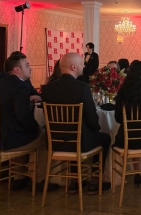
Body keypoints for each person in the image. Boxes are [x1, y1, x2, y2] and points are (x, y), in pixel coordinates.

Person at [0, 53, 59, 191]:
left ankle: (19, 178)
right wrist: (36, 129)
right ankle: (39, 181)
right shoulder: (20, 86)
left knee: (22, 133)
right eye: (27, 65)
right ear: (16, 70)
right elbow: (23, 116)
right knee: (47, 137)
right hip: (5, 142)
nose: (30, 68)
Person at [41, 53, 111, 195]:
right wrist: (96, 129)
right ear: (73, 67)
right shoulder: (82, 87)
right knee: (105, 138)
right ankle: (94, 181)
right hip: (79, 142)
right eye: (81, 63)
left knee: (75, 133)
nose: (83, 66)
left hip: (54, 142)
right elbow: (91, 118)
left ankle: (73, 181)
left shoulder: (48, 88)